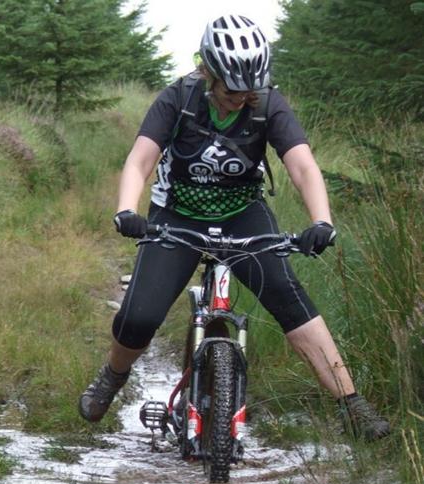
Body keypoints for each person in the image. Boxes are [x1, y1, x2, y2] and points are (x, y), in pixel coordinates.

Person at [78, 14, 390, 441]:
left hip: (242, 212)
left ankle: (352, 405)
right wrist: (127, 210)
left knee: (287, 295)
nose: (241, 99)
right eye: (231, 90)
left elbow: (301, 164)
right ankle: (113, 376)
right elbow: (140, 159)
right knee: (140, 316)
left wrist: (322, 220)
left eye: (249, 91)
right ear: (208, 73)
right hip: (178, 214)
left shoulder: (267, 104)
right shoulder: (179, 98)